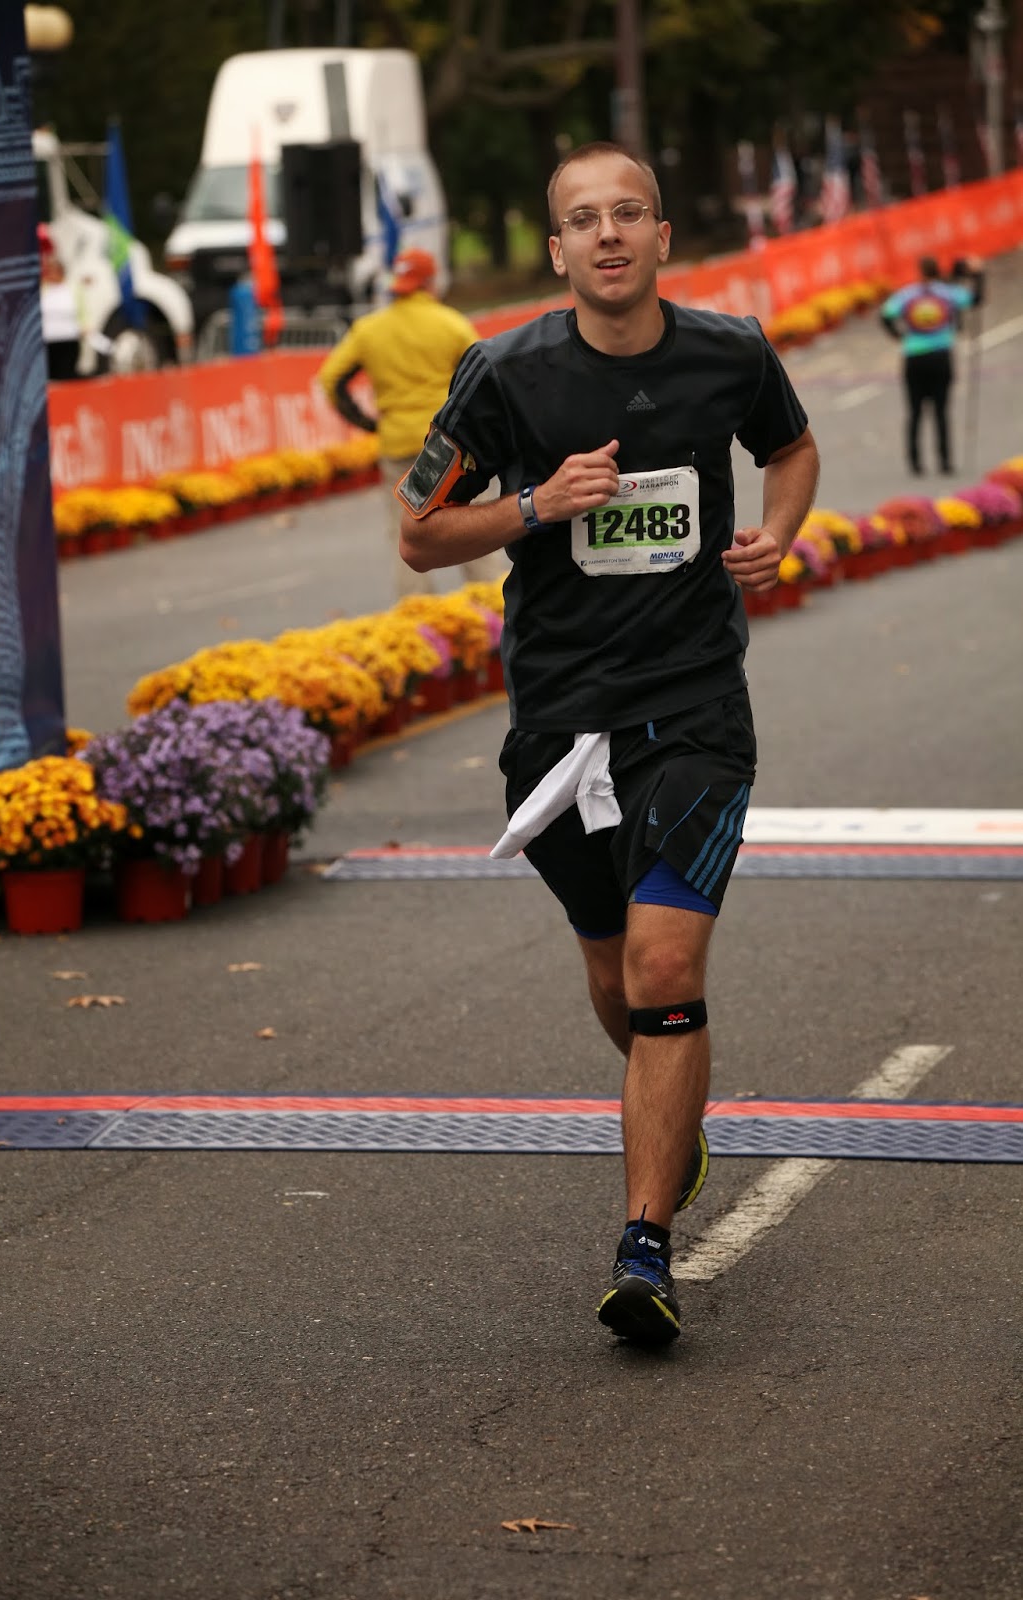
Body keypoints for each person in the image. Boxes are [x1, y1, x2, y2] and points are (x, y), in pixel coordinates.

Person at [396, 141, 819, 1348]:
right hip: (557, 719)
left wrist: (777, 533)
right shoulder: (503, 373)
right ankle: (671, 1117)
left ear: (662, 236)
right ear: (556, 250)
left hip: (693, 706)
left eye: (629, 212)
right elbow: (420, 534)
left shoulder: (729, 352)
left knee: (662, 967)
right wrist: (537, 504)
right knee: (611, 972)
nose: (609, 234)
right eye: (584, 219)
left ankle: (644, 1242)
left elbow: (788, 449)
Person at [319, 248, 503, 598]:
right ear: (431, 282)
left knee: (405, 534)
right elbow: (486, 379)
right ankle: (491, 607)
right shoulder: (451, 324)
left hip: (398, 445)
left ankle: (417, 615)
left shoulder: (368, 329)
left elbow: (331, 379)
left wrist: (367, 423)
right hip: (452, 447)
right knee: (477, 528)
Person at [879, 255, 984, 475]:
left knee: (915, 411)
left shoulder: (907, 294)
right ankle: (944, 461)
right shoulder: (947, 292)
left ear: (920, 272)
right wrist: (978, 275)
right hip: (940, 356)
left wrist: (898, 335)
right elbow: (975, 299)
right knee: (941, 411)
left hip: (914, 356)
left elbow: (886, 315)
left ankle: (915, 462)